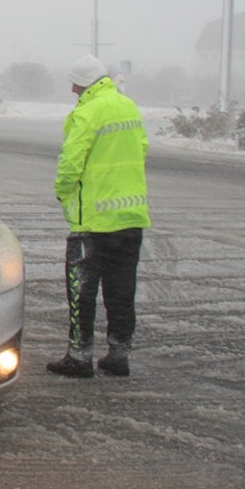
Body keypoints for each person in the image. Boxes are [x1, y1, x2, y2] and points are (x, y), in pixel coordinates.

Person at [47, 55, 151, 378]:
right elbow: (142, 148)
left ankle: (79, 357)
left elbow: (71, 161)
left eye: (75, 83)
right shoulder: (128, 107)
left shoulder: (87, 112)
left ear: (84, 83)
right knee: (122, 291)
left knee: (81, 292)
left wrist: (63, 192)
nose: (72, 89)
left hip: (92, 224)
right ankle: (119, 355)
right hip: (131, 220)